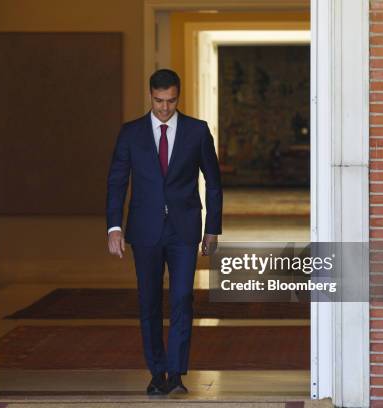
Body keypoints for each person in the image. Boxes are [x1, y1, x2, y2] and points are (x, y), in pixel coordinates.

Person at [106, 69, 223, 395]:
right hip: (144, 230)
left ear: (178, 97)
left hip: (184, 230)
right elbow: (117, 181)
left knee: (183, 299)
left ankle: (176, 373)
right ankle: (157, 372)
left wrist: (212, 229)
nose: (164, 108)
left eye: (171, 101)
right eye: (159, 101)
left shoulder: (197, 131)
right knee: (149, 301)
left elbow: (213, 182)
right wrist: (114, 226)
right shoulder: (131, 133)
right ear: (151, 96)